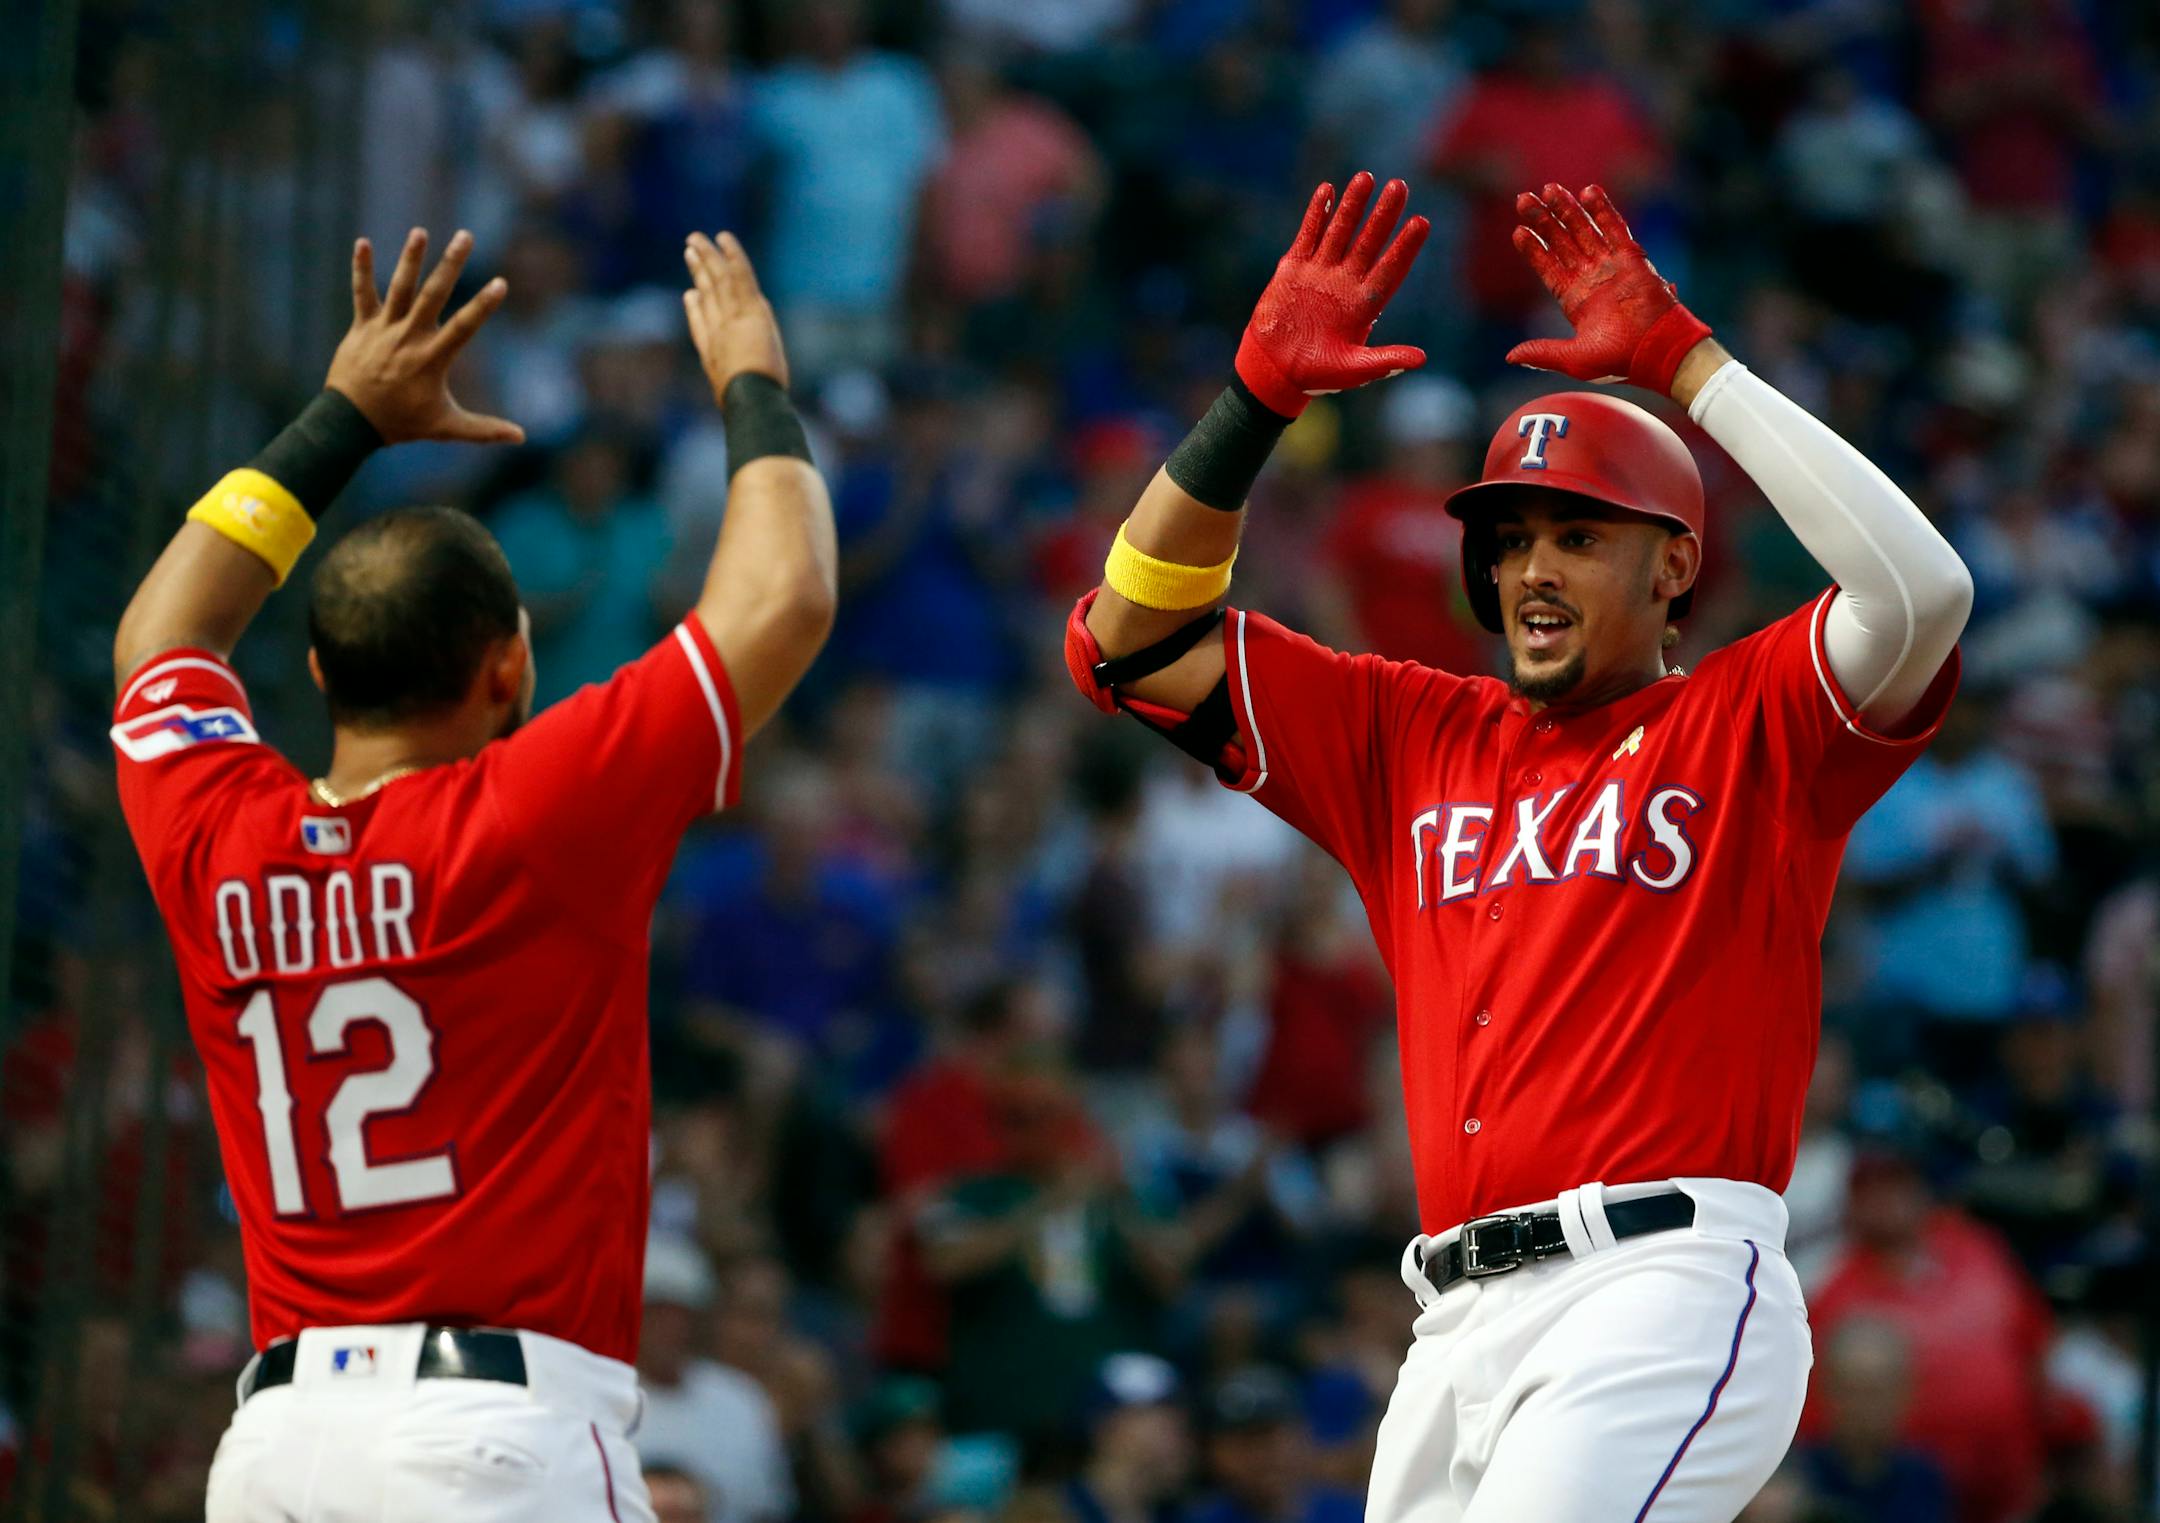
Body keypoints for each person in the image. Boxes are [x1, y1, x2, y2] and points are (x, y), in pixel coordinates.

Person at [1062, 175, 1971, 1521]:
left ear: (1673, 567)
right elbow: (1125, 637)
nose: (1530, 570)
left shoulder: (1748, 722)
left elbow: (1922, 590)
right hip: (1455, 1330)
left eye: (1577, 536)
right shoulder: (1406, 734)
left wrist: (1685, 364)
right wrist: (1252, 404)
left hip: (1656, 1287)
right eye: (1509, 540)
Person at [110, 224, 835, 1520]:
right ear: (510, 666)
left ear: (321, 673)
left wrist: (343, 418)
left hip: (276, 1451)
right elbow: (784, 599)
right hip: (488, 1436)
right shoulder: (536, 810)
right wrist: (752, 382)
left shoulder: (215, 823)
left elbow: (166, 630)